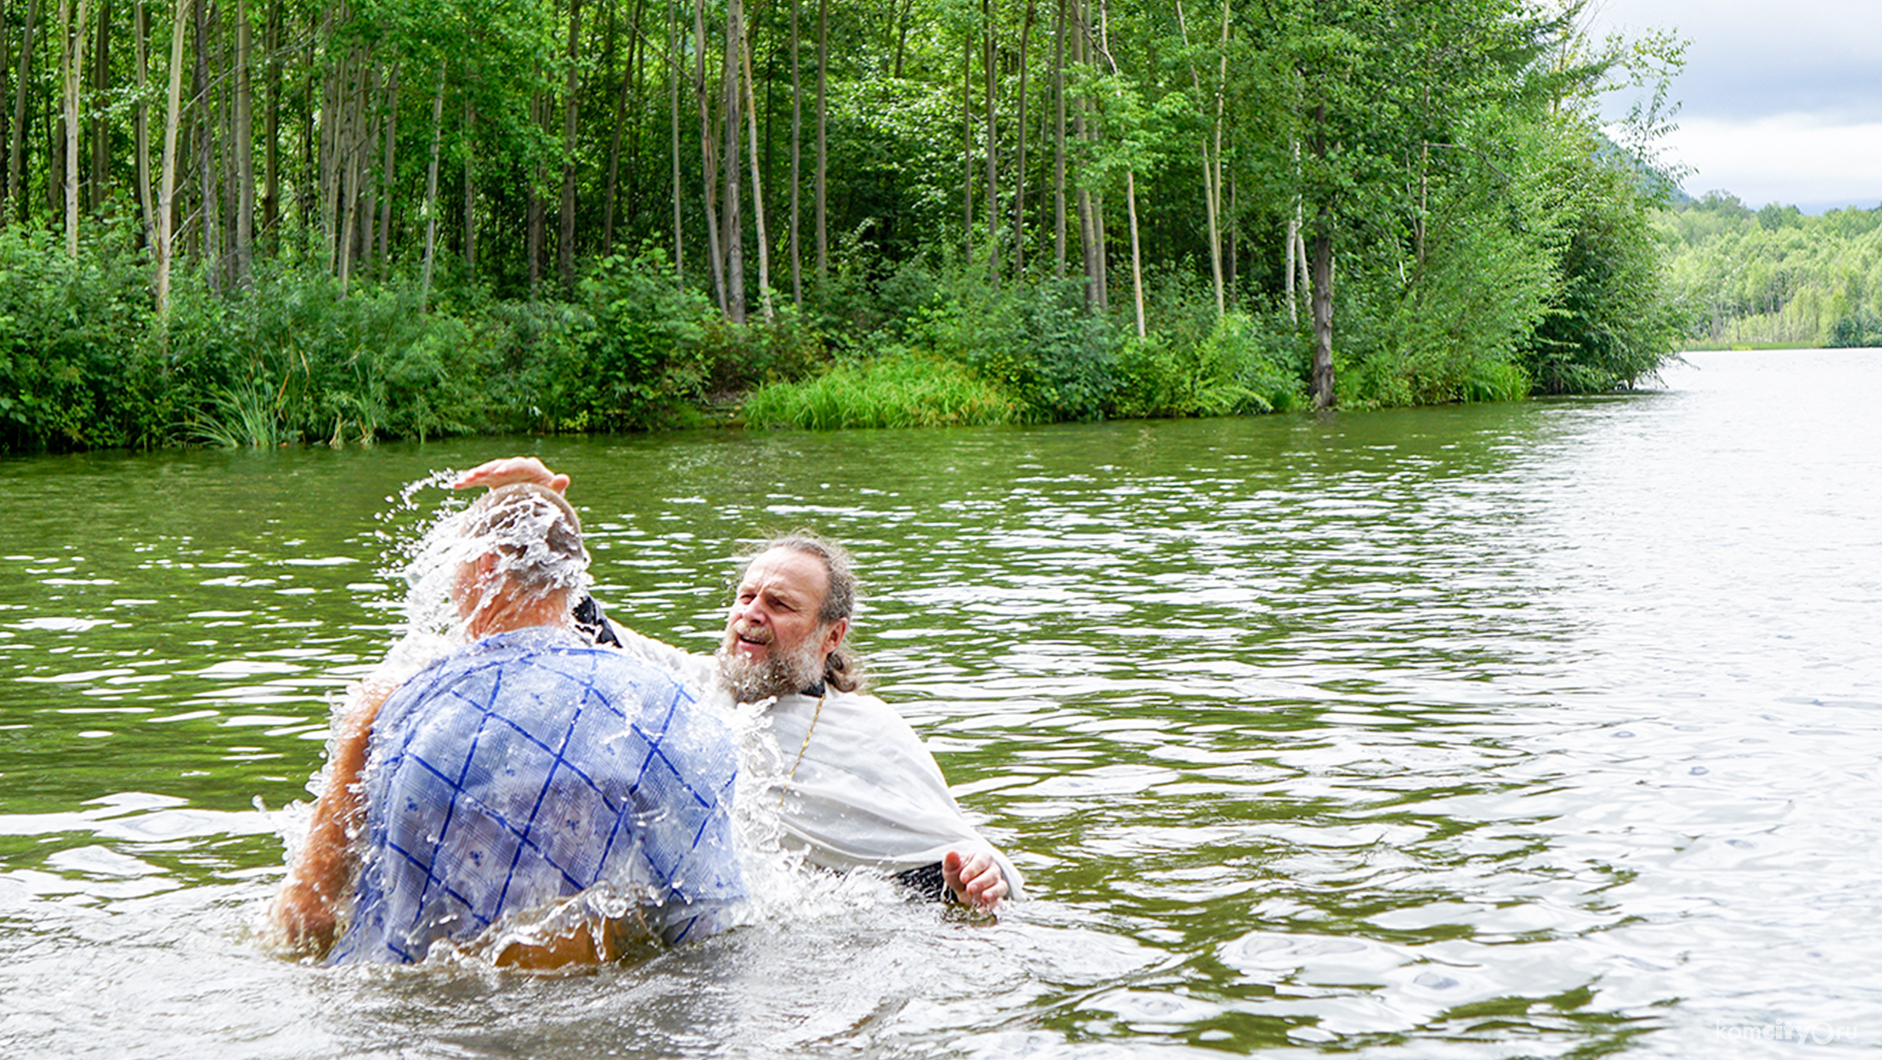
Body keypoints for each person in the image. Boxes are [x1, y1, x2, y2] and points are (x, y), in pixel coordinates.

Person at [454, 457, 1022, 911]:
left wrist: (978, 878)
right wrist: (542, 518)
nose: (751, 614)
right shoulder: (686, 683)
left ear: (831, 635)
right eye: (746, 597)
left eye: (779, 604)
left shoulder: (870, 731)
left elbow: (967, 851)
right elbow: (575, 617)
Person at [273, 483, 745, 966]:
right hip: (604, 1017)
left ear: (486, 567)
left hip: (430, 1017)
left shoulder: (402, 704)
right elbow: (710, 922)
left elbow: (309, 918)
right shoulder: (662, 707)